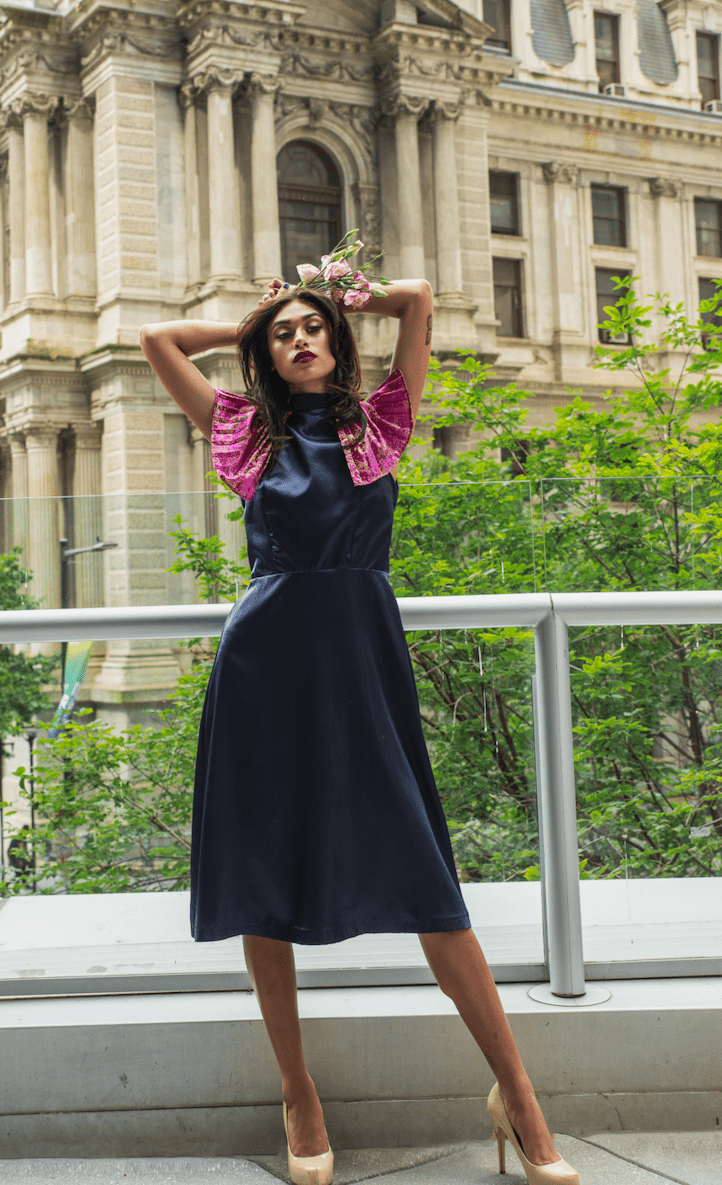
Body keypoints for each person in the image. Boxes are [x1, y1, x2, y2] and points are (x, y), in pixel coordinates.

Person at [139, 269, 579, 1185]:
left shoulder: (379, 422)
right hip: (264, 667)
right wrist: (255, 318)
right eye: (284, 335)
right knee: (263, 875)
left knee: (430, 882)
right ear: (266, 354)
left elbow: (418, 300)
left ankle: (519, 1095)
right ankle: (297, 1094)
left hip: (363, 661)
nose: (300, 340)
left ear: (337, 343)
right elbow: (159, 343)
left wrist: (344, 296)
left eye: (314, 329)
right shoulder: (243, 429)